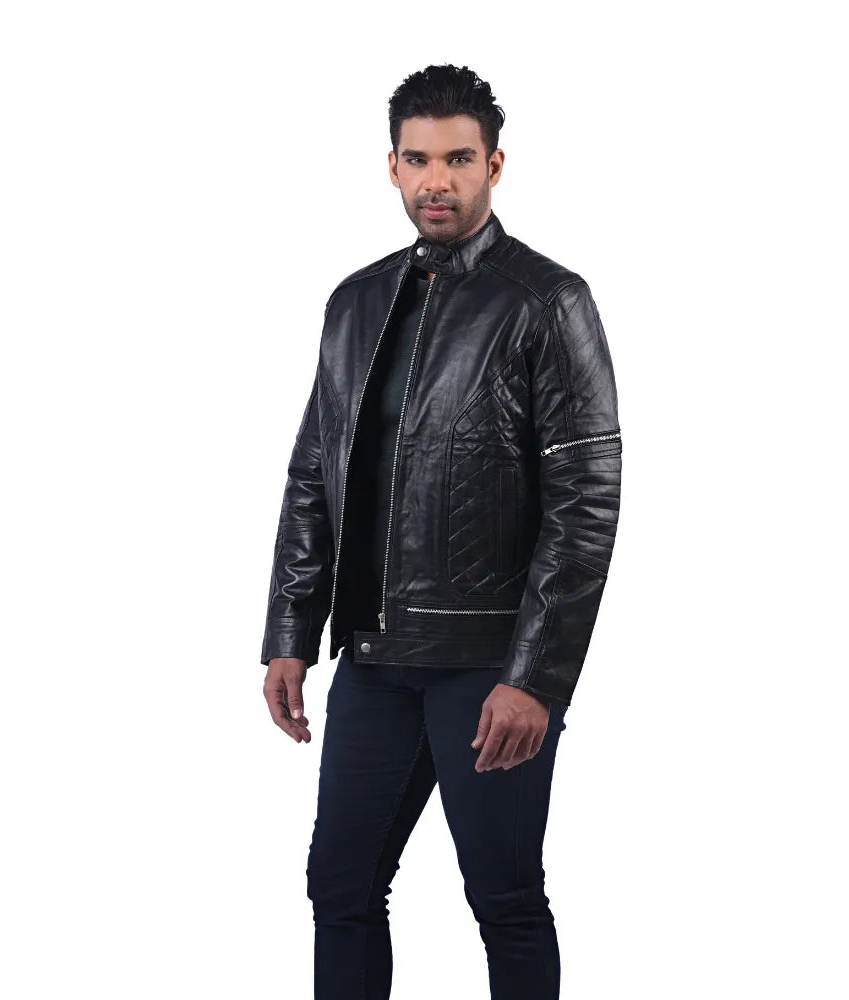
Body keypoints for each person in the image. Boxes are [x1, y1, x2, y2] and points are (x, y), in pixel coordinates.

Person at [259, 63, 622, 1000]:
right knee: (339, 889)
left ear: (494, 164)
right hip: (375, 659)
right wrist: (291, 632)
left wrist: (535, 677)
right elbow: (313, 474)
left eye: (459, 159)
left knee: (504, 899)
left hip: (486, 664)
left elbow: (586, 500)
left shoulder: (548, 301)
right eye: (418, 159)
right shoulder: (355, 302)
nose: (437, 181)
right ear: (391, 165)